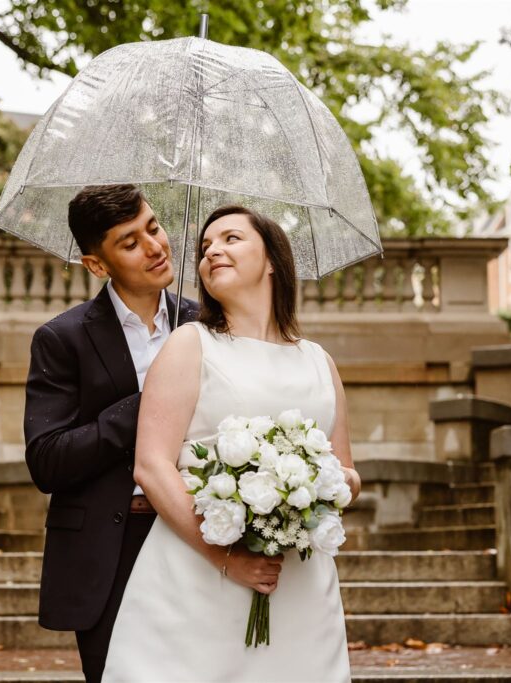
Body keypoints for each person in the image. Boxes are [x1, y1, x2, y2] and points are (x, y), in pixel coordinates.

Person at [102, 205, 360, 682]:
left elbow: (348, 472)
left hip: (298, 585)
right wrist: (228, 559)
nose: (212, 251)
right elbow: (151, 466)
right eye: (204, 248)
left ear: (272, 261)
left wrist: (320, 481)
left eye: (231, 239)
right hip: (198, 579)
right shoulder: (190, 343)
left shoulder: (319, 362)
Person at [23, 184, 199, 683]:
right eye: (129, 242)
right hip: (110, 551)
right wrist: (150, 404)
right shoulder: (62, 339)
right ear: (96, 265)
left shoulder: (206, 324)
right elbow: (48, 460)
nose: (155, 246)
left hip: (195, 540)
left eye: (154, 226)